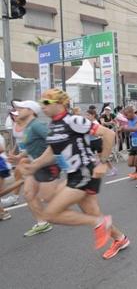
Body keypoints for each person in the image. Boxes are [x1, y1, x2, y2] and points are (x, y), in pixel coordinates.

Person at [20, 88, 129, 259]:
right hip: (73, 174)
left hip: (85, 172)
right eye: (42, 103)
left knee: (51, 214)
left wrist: (102, 162)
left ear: (60, 103)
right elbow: (51, 151)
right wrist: (34, 166)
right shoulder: (54, 125)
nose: (43, 106)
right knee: (91, 211)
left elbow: (109, 133)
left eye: (47, 102)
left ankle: (100, 223)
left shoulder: (74, 120)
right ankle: (119, 238)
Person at [7, 100, 62, 235]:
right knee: (28, 193)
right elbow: (31, 146)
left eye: (21, 108)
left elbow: (55, 141)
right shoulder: (29, 127)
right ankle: (42, 223)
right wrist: (19, 156)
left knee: (48, 198)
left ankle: (73, 193)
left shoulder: (37, 125)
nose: (18, 110)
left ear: (31, 111)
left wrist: (42, 160)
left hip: (48, 165)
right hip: (36, 166)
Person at [86, 109, 117, 177]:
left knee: (102, 158)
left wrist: (89, 132)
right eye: (86, 115)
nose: (87, 116)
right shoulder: (89, 123)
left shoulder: (95, 123)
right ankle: (93, 171)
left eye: (88, 115)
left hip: (97, 142)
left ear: (93, 115)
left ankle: (112, 169)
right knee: (88, 157)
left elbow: (98, 134)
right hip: (91, 142)